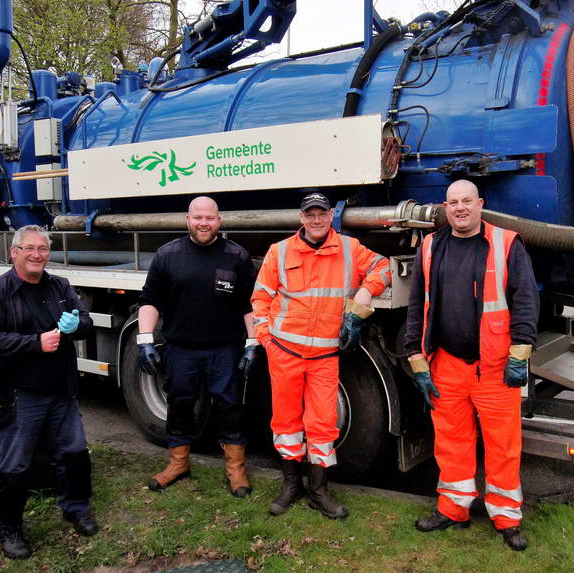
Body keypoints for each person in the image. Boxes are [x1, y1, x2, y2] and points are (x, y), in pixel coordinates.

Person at [404, 180, 539, 551]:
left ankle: (506, 517)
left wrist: (520, 355)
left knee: (503, 446)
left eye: (466, 201)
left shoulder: (507, 244)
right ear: (445, 208)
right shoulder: (431, 246)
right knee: (451, 443)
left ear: (480, 204)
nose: (460, 208)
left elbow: (526, 302)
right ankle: (453, 509)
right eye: (453, 202)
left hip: (495, 368)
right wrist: (417, 360)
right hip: (446, 365)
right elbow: (417, 306)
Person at [252, 192, 390, 519]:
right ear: (301, 218)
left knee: (323, 424)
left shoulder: (349, 248)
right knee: (286, 423)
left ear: (331, 216)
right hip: (284, 352)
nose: (315, 220)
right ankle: (291, 485)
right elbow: (260, 300)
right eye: (309, 214)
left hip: (324, 357)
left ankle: (318, 491)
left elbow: (382, 268)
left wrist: (360, 304)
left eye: (321, 214)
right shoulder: (280, 251)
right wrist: (267, 341)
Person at [0, 225, 98, 560]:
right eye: (29, 248)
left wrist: (77, 324)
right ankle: (9, 529)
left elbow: (85, 320)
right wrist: (34, 343)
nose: (37, 255)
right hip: (18, 393)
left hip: (60, 389)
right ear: (14, 252)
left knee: (73, 451)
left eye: (43, 249)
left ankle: (76, 508)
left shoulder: (59, 286)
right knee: (12, 465)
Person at [138, 196, 257, 498]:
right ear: (188, 219)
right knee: (179, 404)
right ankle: (178, 464)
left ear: (219, 221)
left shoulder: (237, 256)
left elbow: (249, 306)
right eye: (198, 217)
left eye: (210, 218)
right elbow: (150, 300)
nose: (203, 223)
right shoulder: (167, 256)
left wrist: (253, 342)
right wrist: (144, 340)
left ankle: (235, 469)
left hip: (224, 349)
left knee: (230, 406)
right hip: (181, 349)